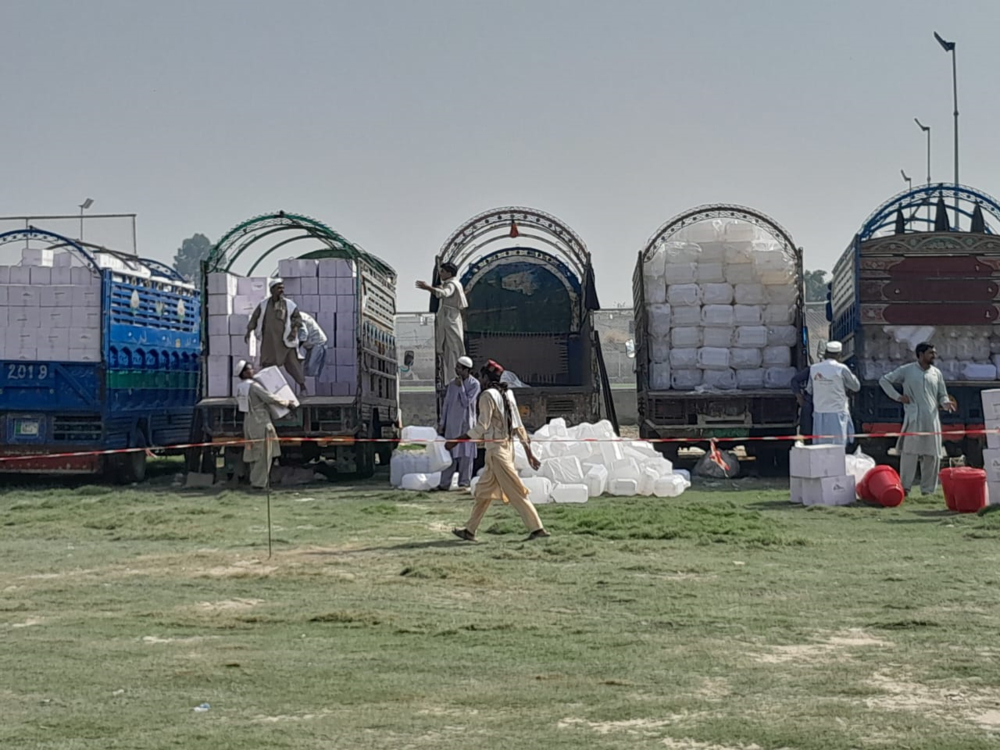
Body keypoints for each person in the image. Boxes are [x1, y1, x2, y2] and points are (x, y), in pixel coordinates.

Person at [447, 360, 550, 542]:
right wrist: (529, 453)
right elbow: (519, 427)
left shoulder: (487, 395)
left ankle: (537, 529)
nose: (481, 380)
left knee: (516, 492)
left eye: (481, 377)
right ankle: (470, 530)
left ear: (486, 378)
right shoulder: (508, 394)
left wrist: (457, 441)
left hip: (497, 453)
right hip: (504, 449)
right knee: (483, 493)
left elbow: (481, 427)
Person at [879, 342, 957, 496]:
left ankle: (928, 491)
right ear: (920, 355)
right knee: (910, 454)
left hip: (932, 419)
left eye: (934, 353)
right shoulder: (907, 370)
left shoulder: (936, 373)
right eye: (930, 353)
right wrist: (898, 397)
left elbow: (942, 394)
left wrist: (945, 403)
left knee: (932, 455)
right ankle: (905, 488)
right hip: (914, 418)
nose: (934, 356)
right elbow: (884, 381)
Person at [235, 360, 295, 490]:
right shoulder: (254, 386)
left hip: (248, 421)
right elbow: (269, 397)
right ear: (244, 373)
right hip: (260, 420)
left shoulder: (240, 387)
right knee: (264, 452)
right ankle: (259, 484)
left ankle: (255, 479)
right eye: (250, 369)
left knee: (254, 452)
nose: (253, 371)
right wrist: (286, 403)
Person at [246, 278, 306, 393]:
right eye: (279, 288)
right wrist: (249, 330)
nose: (281, 290)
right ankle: (269, 390)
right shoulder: (263, 305)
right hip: (269, 342)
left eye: (282, 288)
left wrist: (294, 330)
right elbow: (255, 317)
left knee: (293, 365)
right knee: (268, 366)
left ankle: (302, 386)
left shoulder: (290, 305)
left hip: (286, 341)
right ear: (272, 290)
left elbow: (297, 319)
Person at [416, 262, 468, 385]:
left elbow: (444, 293)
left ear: (449, 273)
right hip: (450, 319)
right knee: (450, 351)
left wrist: (428, 287)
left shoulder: (451, 284)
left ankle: (452, 380)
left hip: (449, 321)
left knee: (451, 351)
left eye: (443, 271)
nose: (441, 274)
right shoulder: (455, 284)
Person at [435, 356, 480, 491]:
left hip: (467, 425)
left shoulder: (474, 384)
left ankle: (464, 483)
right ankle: (444, 484)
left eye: (459, 368)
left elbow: (467, 402)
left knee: (466, 456)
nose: (457, 370)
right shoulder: (452, 384)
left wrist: (461, 388)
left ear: (466, 370)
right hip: (452, 425)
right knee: (450, 454)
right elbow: (447, 404)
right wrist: (442, 423)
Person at [806, 341, 860, 446]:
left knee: (820, 445)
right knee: (837, 445)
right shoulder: (841, 368)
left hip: (819, 412)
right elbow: (856, 386)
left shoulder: (814, 368)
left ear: (825, 353)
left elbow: (809, 389)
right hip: (837, 412)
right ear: (839, 355)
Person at [296, 311, 328, 380]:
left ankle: (312, 388)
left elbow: (303, 336)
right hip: (310, 346)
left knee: (311, 369)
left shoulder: (299, 318)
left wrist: (296, 349)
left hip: (318, 344)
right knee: (306, 369)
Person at [790, 366, 814, 442]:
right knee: (808, 433)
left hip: (825, 405)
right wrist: (799, 396)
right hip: (810, 403)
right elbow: (795, 380)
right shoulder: (813, 369)